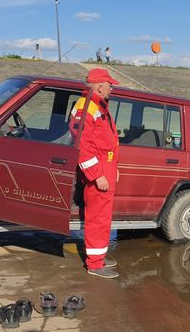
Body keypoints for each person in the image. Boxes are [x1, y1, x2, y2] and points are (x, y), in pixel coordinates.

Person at [69, 68, 120, 279]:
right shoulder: (86, 108)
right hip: (98, 172)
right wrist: (97, 174)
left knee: (102, 217)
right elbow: (83, 146)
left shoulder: (97, 105)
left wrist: (113, 169)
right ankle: (95, 264)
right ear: (99, 86)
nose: (111, 89)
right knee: (97, 218)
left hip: (105, 168)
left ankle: (99, 256)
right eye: (109, 85)